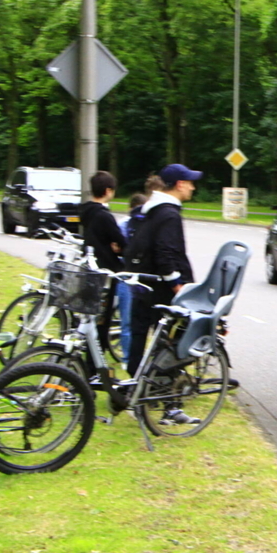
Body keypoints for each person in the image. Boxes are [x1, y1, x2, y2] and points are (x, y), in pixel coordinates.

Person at [124, 163, 202, 425]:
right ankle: (170, 405)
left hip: (143, 287)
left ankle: (136, 394)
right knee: (172, 346)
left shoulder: (150, 211)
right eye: (190, 182)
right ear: (179, 184)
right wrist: (178, 286)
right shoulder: (169, 215)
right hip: (162, 292)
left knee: (139, 341)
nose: (193, 186)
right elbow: (166, 254)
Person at [78, 171, 126, 367]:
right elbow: (121, 241)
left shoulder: (85, 211)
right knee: (101, 322)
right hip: (105, 272)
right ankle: (94, 366)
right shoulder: (104, 216)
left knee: (89, 318)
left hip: (89, 268)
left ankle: (88, 362)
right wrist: (119, 247)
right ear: (108, 191)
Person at [115, 192, 148, 365]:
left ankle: (133, 359)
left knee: (133, 324)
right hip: (127, 278)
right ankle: (128, 359)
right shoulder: (124, 226)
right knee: (127, 322)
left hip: (136, 278)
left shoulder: (146, 226)